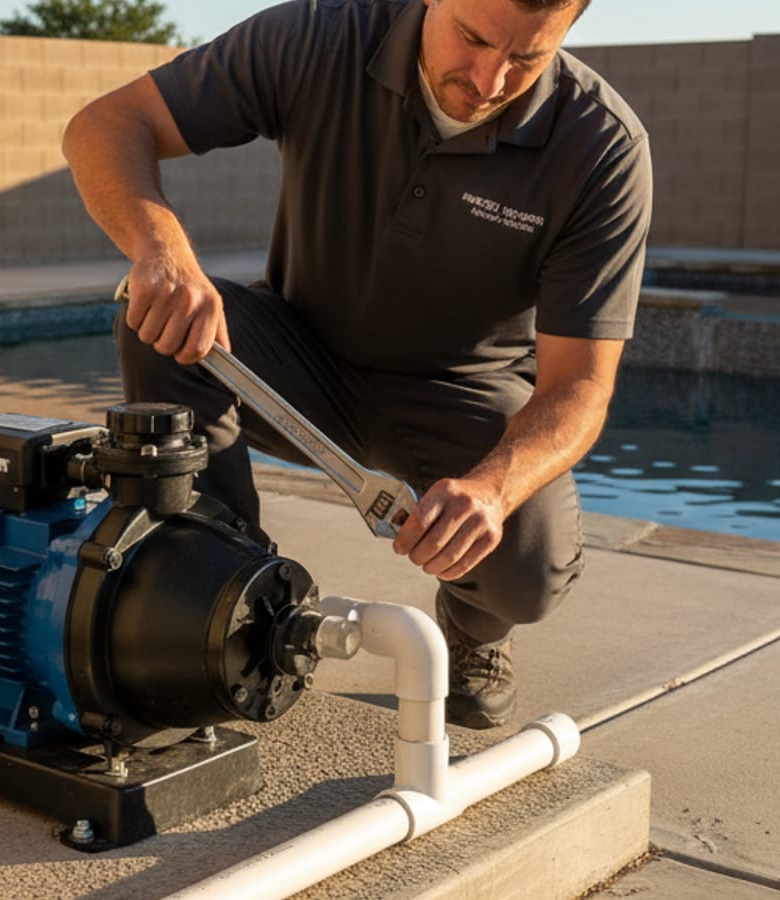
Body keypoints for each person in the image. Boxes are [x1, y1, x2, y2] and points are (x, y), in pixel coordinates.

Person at [62, 0, 651, 728]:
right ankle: (216, 590)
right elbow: (105, 124)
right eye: (471, 38)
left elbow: (582, 386)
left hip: (460, 393)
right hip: (298, 356)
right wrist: (161, 250)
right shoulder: (316, 36)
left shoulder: (600, 146)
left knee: (529, 571)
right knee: (154, 318)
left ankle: (472, 631)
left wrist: (494, 493)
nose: (489, 77)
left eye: (525, 58)